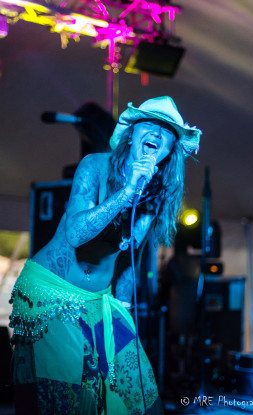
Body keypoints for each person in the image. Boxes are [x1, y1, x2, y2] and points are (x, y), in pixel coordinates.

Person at [9, 96, 201, 414]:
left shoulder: (154, 198)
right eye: (149, 124)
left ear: (169, 150)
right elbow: (75, 233)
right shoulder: (95, 166)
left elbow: (130, 257)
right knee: (64, 398)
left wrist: (123, 305)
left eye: (166, 131)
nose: (156, 133)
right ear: (132, 133)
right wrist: (127, 193)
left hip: (99, 300)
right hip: (51, 294)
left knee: (139, 392)